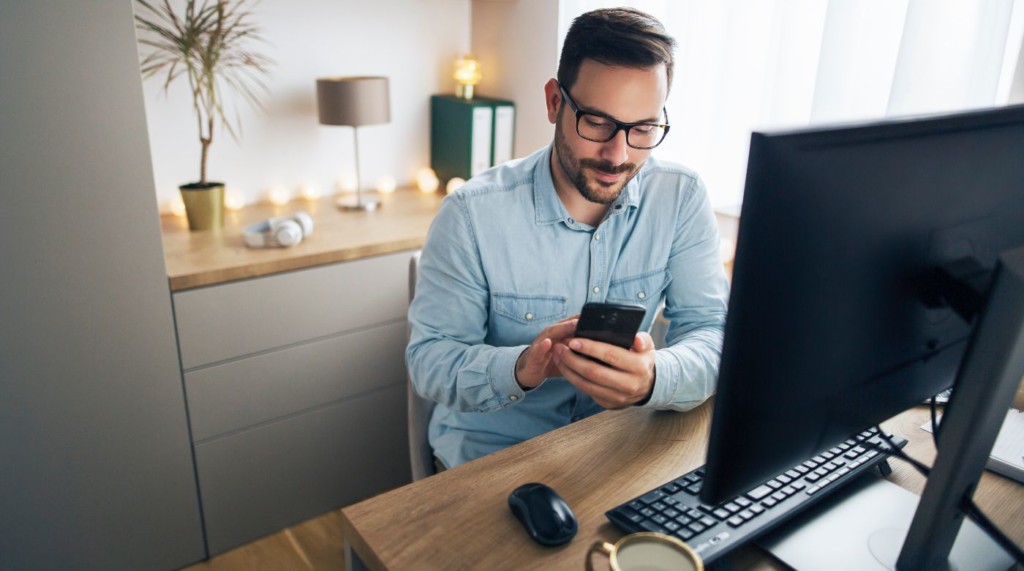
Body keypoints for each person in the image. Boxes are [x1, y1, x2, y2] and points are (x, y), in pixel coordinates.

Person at [407, 7, 729, 469]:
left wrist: (654, 377)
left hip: (618, 452)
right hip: (493, 461)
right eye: (597, 122)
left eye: (642, 129)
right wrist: (521, 368)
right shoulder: (470, 215)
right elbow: (429, 362)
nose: (617, 154)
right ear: (555, 102)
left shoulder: (681, 197)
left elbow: (713, 331)